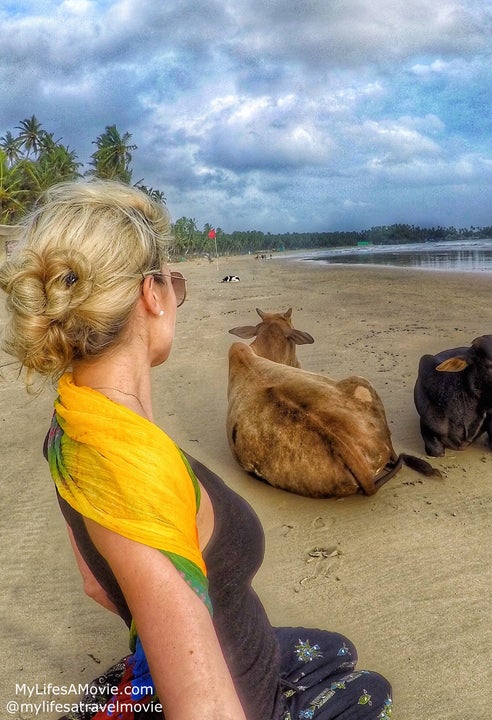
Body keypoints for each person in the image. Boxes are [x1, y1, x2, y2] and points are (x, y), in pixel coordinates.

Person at [0, 180, 392, 720]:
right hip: (244, 696)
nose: (175, 299)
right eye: (173, 283)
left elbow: (97, 584)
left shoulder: (70, 423)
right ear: (150, 295)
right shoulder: (137, 472)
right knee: (373, 689)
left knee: (339, 650)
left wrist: (168, 624)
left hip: (210, 643)